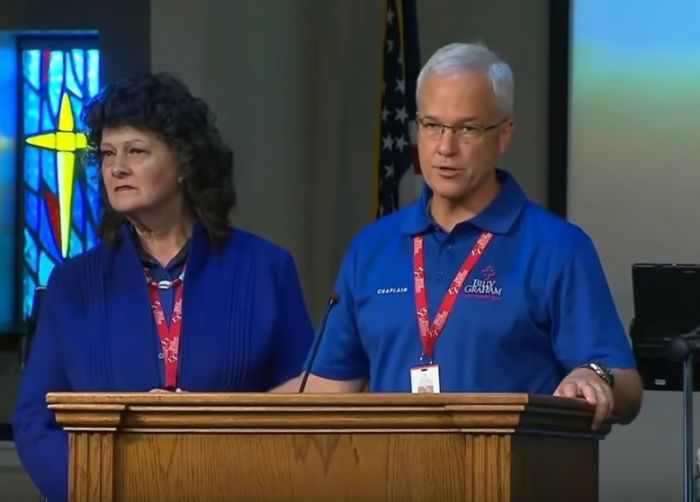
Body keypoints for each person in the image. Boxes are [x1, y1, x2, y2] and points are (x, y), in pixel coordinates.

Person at [301, 43, 643, 429]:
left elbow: (627, 388)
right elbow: (326, 387)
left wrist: (594, 376)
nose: (445, 148)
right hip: (394, 477)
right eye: (432, 125)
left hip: (510, 478)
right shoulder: (372, 247)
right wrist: (224, 419)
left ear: (504, 135)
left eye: (467, 129)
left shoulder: (559, 247)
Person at [12, 72, 314, 501]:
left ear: (184, 165)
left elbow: (304, 410)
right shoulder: (72, 283)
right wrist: (98, 488)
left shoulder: (265, 270)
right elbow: (33, 421)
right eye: (107, 153)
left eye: (136, 151)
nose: (116, 167)